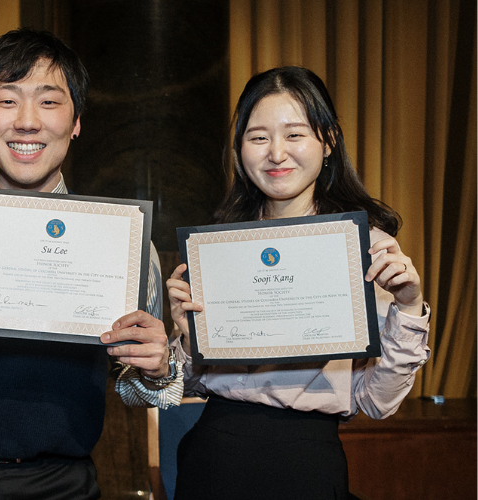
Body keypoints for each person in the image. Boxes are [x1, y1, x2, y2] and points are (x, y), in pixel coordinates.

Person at [0, 29, 182, 500]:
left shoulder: (121, 238)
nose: (27, 122)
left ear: (75, 121)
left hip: (63, 484)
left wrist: (155, 370)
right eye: (7, 100)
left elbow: (132, 389)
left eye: (49, 102)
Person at [167, 66, 431, 499]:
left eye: (294, 135)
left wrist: (408, 307)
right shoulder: (218, 247)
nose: (276, 153)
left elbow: (377, 402)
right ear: (240, 149)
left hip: (306, 463)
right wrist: (185, 335)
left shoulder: (364, 249)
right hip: (213, 455)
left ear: (327, 141)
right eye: (258, 137)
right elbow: (190, 383)